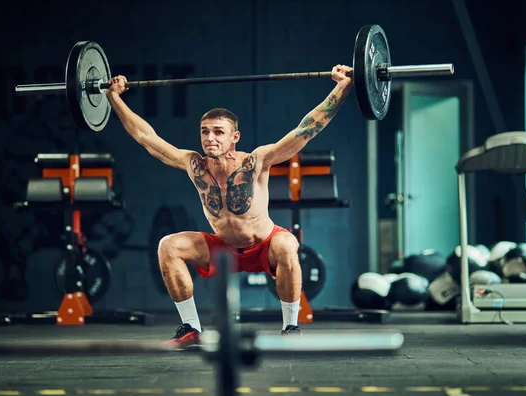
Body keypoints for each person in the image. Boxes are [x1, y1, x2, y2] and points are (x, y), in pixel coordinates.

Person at [105, 64, 353, 346]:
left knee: (287, 244)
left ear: (234, 137)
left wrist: (342, 86)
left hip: (264, 244)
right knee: (168, 246)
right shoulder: (194, 164)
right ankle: (191, 328)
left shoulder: (256, 161)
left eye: (218, 132)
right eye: (205, 132)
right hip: (223, 247)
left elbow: (307, 128)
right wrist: (115, 98)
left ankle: (290, 328)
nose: (210, 138)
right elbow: (146, 138)